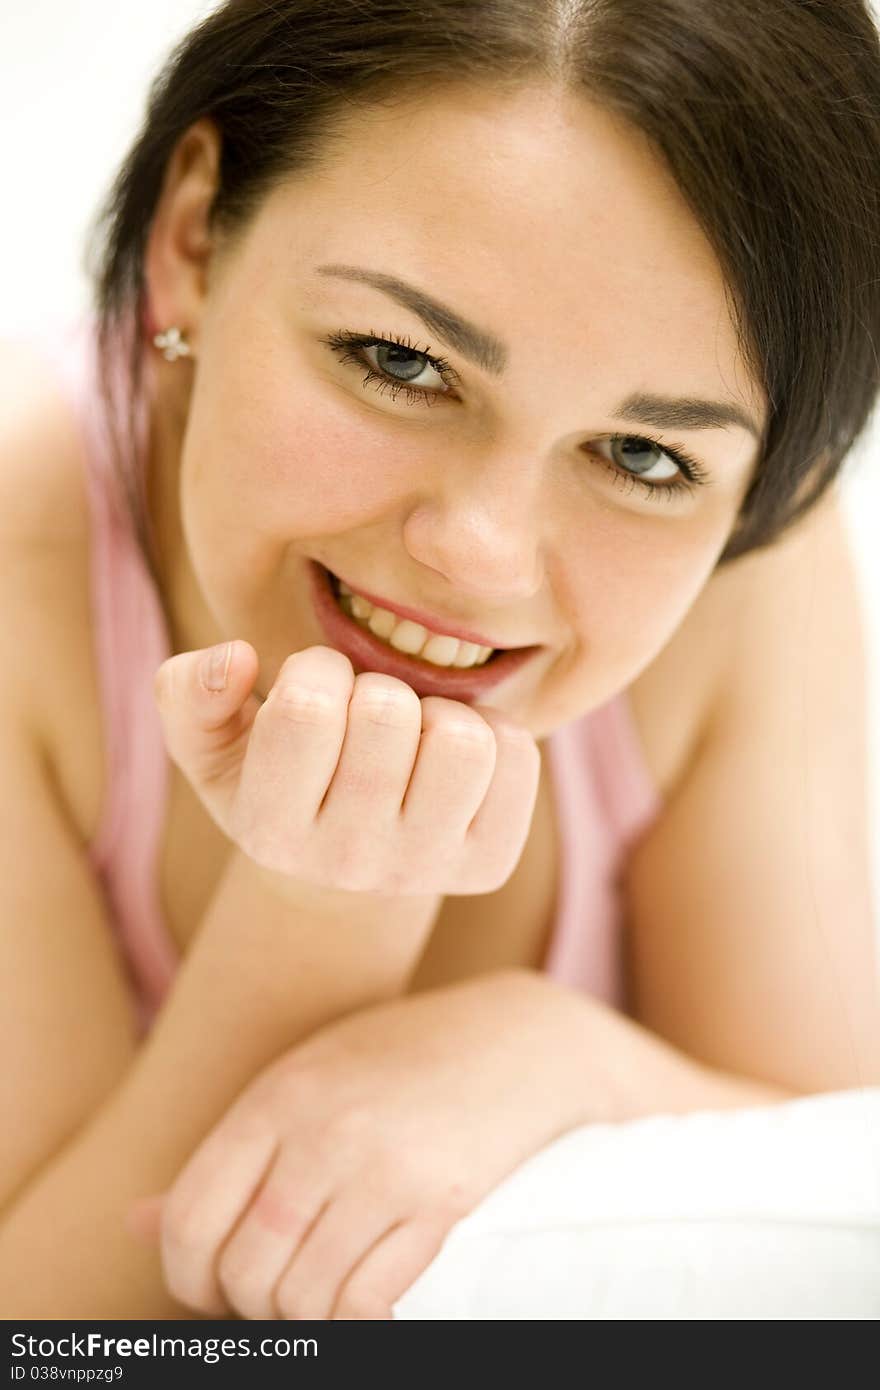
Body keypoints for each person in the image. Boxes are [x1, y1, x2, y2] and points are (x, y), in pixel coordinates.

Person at [1, 0, 878, 1321]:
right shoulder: (21, 562)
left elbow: (833, 1169)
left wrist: (557, 1061)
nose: (478, 553)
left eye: (644, 457)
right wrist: (326, 901)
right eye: (399, 359)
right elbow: (46, 1329)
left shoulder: (746, 575)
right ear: (191, 237)